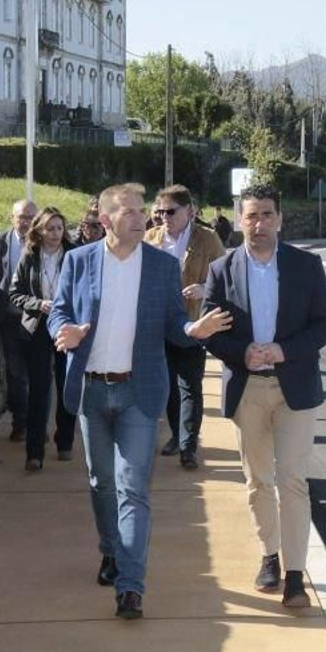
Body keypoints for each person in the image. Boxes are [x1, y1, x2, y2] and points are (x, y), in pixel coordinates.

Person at [48, 183, 234, 620]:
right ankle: (110, 550)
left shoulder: (161, 265)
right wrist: (64, 331)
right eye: (129, 211)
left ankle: (130, 587)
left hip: (139, 392)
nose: (141, 218)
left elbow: (173, 322)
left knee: (133, 488)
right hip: (92, 389)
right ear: (106, 220)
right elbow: (59, 310)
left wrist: (192, 331)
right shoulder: (79, 260)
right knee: (102, 483)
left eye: (141, 210)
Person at [203, 183, 326, 609]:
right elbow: (210, 332)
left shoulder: (306, 266)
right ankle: (269, 557)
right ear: (239, 220)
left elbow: (325, 324)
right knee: (258, 480)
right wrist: (240, 351)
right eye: (251, 215)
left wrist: (284, 350)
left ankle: (296, 576)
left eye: (266, 214)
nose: (259, 223)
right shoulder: (221, 270)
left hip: (294, 387)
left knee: (293, 480)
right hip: (248, 388)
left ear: (279, 219)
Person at [145, 185, 226, 470]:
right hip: (158, 324)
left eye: (171, 212)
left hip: (193, 322)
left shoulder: (208, 238)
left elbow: (226, 275)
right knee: (166, 385)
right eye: (160, 212)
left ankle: (188, 447)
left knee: (190, 385)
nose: (164, 217)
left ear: (189, 211)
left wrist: (204, 288)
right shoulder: (150, 239)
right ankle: (176, 435)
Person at [10, 207, 78, 472]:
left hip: (66, 326)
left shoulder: (74, 255)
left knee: (66, 384)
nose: (55, 233)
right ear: (39, 231)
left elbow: (86, 291)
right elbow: (15, 292)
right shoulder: (30, 256)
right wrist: (38, 303)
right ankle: (34, 452)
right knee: (39, 389)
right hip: (37, 328)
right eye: (50, 228)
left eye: (59, 228)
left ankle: (65, 442)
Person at [0, 199, 39, 441]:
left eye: (31, 217)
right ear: (12, 218)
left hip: (37, 320)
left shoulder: (43, 243)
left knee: (39, 374)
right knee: (15, 373)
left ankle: (37, 424)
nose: (26, 222)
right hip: (9, 319)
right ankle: (20, 423)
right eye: (22, 217)